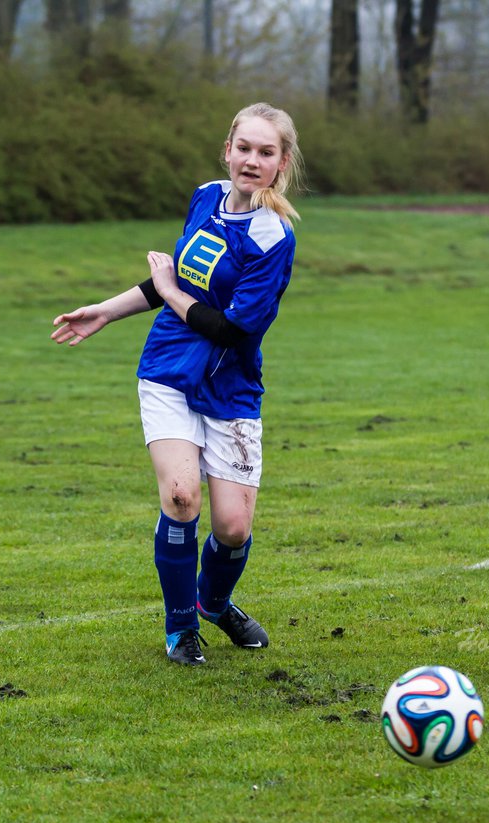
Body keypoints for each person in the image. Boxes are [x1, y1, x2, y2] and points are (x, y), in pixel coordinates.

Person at [51, 103, 303, 666]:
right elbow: (174, 280)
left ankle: (213, 602)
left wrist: (169, 291)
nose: (251, 161)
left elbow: (234, 330)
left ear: (282, 163)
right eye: (244, 148)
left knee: (233, 529)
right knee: (182, 497)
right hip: (167, 370)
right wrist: (106, 312)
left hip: (231, 386)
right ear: (228, 149)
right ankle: (180, 626)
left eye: (266, 153)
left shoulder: (273, 237)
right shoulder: (205, 197)